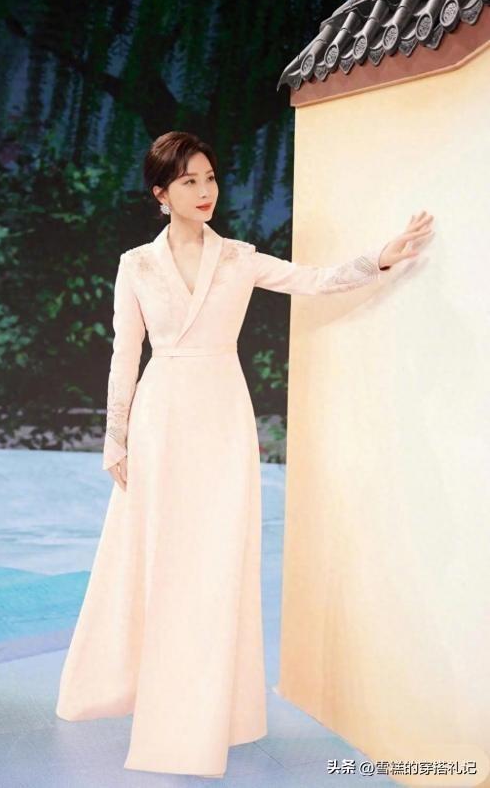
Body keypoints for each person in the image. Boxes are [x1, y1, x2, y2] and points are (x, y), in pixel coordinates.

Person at [55, 131, 434, 778]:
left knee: (217, 562)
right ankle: (160, 706)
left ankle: (215, 714)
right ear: (161, 193)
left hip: (223, 420)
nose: (205, 191)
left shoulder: (237, 258)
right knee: (162, 559)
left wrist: (381, 257)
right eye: (189, 181)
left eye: (210, 178)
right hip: (161, 417)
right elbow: (125, 352)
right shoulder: (136, 265)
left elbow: (314, 280)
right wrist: (116, 436)